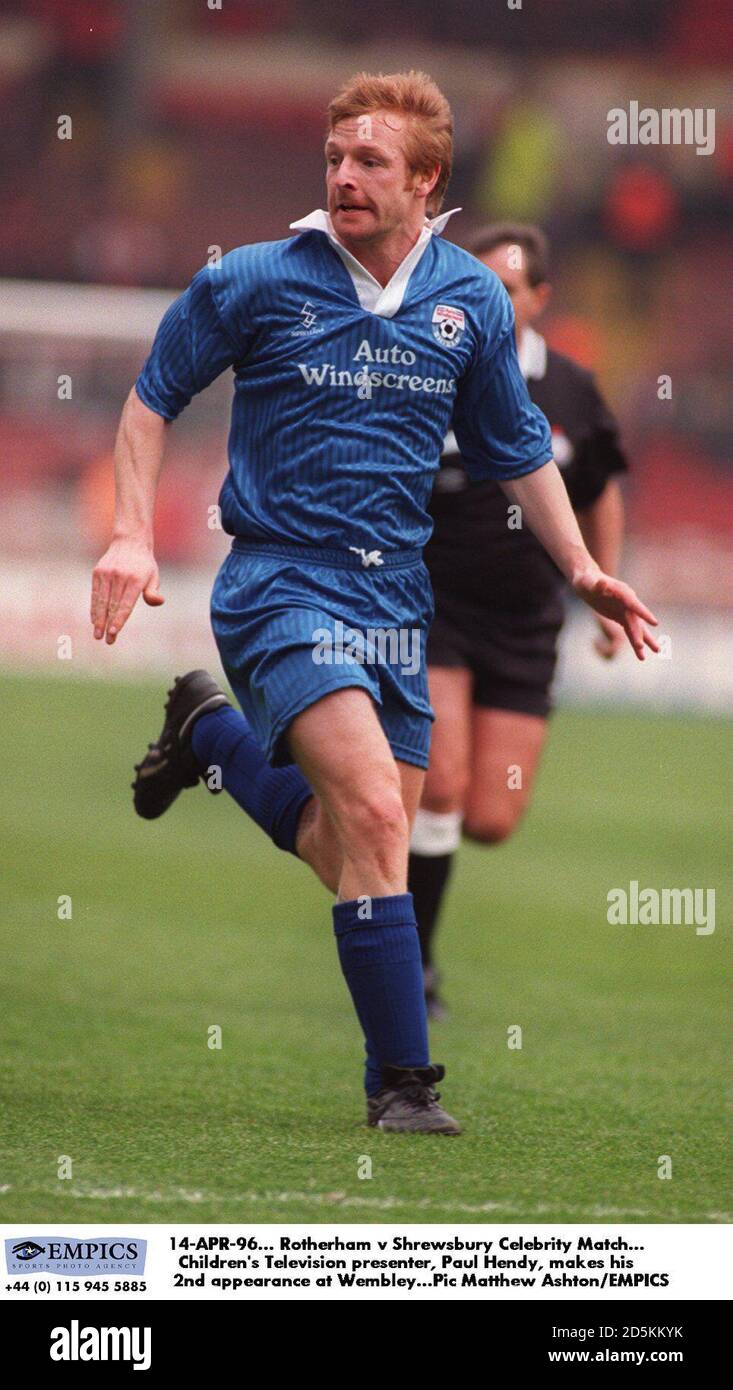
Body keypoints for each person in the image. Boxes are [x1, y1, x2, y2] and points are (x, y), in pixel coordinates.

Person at [90, 72, 658, 1136]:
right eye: (334, 160)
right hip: (279, 583)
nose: (345, 178)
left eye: (370, 163)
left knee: (355, 847)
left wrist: (581, 566)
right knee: (381, 814)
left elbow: (518, 452)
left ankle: (211, 737)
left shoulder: (470, 301)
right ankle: (402, 1082)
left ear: (426, 179)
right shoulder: (255, 279)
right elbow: (153, 394)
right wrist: (129, 531)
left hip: (399, 598)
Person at [409, 222, 631, 1019]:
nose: (489, 302)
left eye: (506, 289)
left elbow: (599, 484)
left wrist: (600, 585)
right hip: (429, 609)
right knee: (440, 786)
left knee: (491, 818)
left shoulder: (570, 389)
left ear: (537, 299)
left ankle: (379, 811)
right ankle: (413, 965)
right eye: (478, 286)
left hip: (527, 624)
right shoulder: (424, 366)